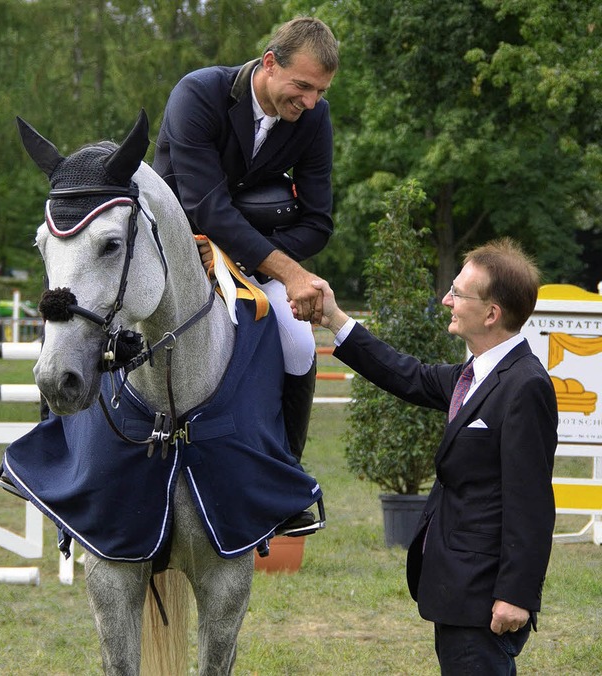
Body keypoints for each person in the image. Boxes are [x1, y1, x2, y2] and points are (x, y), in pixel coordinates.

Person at [309, 238, 558, 674]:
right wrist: (335, 319)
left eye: (458, 293)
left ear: (492, 314)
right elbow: (408, 375)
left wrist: (517, 594)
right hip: (455, 588)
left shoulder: (525, 385)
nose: (447, 300)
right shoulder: (476, 372)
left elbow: (531, 501)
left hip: (482, 597)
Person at [153, 17, 339, 531]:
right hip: (173, 244)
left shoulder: (314, 119)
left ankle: (285, 480)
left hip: (251, 257)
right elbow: (208, 207)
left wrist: (261, 261)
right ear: (269, 62)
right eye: (301, 87)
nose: (308, 102)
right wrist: (283, 268)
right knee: (100, 297)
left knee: (300, 342)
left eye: (319, 92)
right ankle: (54, 442)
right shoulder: (198, 93)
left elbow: (319, 223)